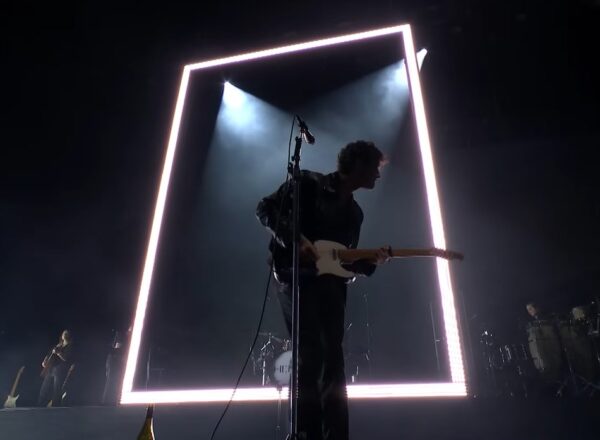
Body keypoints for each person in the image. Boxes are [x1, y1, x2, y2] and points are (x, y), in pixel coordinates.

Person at [256, 140, 391, 440]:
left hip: (330, 289)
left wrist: (369, 262)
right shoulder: (308, 183)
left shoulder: (355, 214)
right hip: (296, 278)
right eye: (375, 169)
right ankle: (305, 433)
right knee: (309, 355)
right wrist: (294, 241)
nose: (378, 176)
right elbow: (264, 207)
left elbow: (344, 264)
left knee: (333, 360)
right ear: (357, 164)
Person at [38, 329, 74, 407]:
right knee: (45, 387)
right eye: (64, 333)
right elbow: (49, 353)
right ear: (62, 335)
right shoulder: (58, 345)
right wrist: (45, 361)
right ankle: (40, 404)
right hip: (51, 368)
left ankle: (56, 407)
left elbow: (66, 358)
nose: (65, 334)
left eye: (67, 333)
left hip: (60, 369)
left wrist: (58, 353)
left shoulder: (70, 346)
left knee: (57, 389)